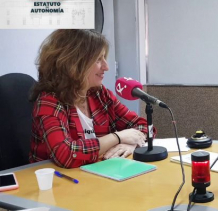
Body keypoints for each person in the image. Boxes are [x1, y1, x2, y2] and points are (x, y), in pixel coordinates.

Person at [29, 29, 152, 168]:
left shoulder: (100, 94)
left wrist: (131, 143)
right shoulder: (49, 101)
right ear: (74, 63)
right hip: (57, 181)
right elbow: (66, 155)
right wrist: (118, 137)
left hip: (96, 173)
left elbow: (144, 125)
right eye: (98, 59)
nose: (106, 67)